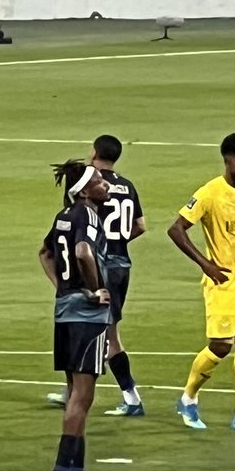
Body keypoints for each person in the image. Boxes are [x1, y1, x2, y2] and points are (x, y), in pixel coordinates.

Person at [168, 133, 235, 433]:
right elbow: (176, 230)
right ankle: (188, 398)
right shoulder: (210, 193)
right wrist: (206, 265)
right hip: (224, 284)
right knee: (220, 346)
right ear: (228, 161)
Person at [47, 135, 147, 416]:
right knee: (103, 330)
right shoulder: (126, 185)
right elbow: (140, 225)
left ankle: (131, 397)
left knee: (108, 335)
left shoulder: (90, 186)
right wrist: (119, 241)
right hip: (122, 264)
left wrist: (103, 247)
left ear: (94, 152)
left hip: (101, 264)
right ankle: (72, 390)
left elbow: (80, 241)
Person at [38, 160, 113, 471]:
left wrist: (63, 287)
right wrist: (96, 289)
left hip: (66, 309)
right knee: (82, 397)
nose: (106, 184)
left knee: (76, 394)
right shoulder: (88, 215)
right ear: (84, 191)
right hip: (87, 315)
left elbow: (45, 253)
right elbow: (83, 252)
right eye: (99, 181)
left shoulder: (62, 216)